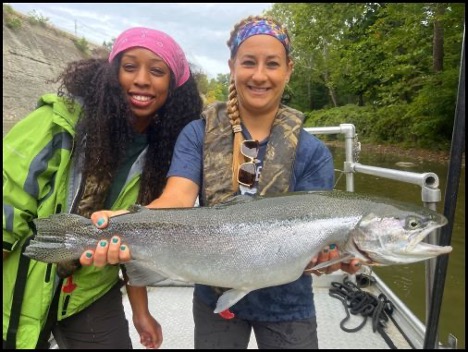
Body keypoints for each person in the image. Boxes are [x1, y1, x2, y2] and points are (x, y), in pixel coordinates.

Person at [80, 16, 361, 349]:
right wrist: (122, 222)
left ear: (289, 69)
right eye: (248, 63)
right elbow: (177, 198)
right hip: (215, 298)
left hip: (288, 304)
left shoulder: (313, 153)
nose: (259, 75)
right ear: (232, 66)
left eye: (272, 64)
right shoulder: (197, 134)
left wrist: (333, 256)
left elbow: (318, 239)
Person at [3, 26, 203, 349]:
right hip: (20, 286)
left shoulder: (164, 153)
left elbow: (138, 239)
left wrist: (141, 312)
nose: (141, 79)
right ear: (113, 73)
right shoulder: (58, 122)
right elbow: (8, 204)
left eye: (156, 71)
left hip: (90, 290)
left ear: (173, 85)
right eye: (129, 67)